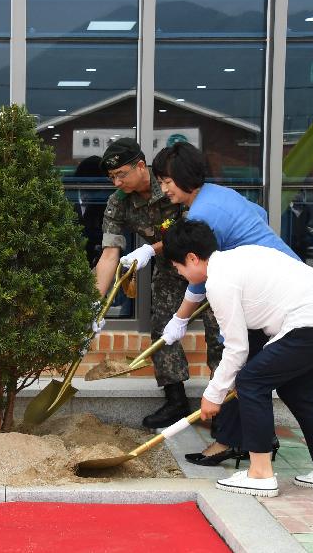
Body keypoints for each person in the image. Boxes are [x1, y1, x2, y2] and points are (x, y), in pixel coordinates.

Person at [163, 220, 313, 497]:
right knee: (297, 391)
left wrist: (213, 394)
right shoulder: (241, 256)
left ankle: (259, 473)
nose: (180, 273)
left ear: (192, 258)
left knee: (251, 381)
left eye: (178, 267)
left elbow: (236, 349)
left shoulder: (220, 283)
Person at [151, 142, 300, 467]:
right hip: (276, 279)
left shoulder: (205, 213)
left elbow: (202, 278)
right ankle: (249, 439)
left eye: (166, 182)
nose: (164, 190)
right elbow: (258, 215)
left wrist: (179, 319)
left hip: (273, 291)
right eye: (161, 182)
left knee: (242, 367)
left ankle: (233, 442)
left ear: (185, 177)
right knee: (248, 371)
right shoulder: (218, 195)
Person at [94, 138, 223, 429]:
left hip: (204, 264)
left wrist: (150, 249)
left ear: (141, 166)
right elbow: (109, 253)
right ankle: (176, 401)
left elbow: (192, 231)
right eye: (111, 177)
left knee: (219, 332)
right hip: (169, 270)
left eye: (121, 174)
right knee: (162, 329)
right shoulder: (119, 203)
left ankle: (223, 403)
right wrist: (95, 305)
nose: (116, 182)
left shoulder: (171, 183)